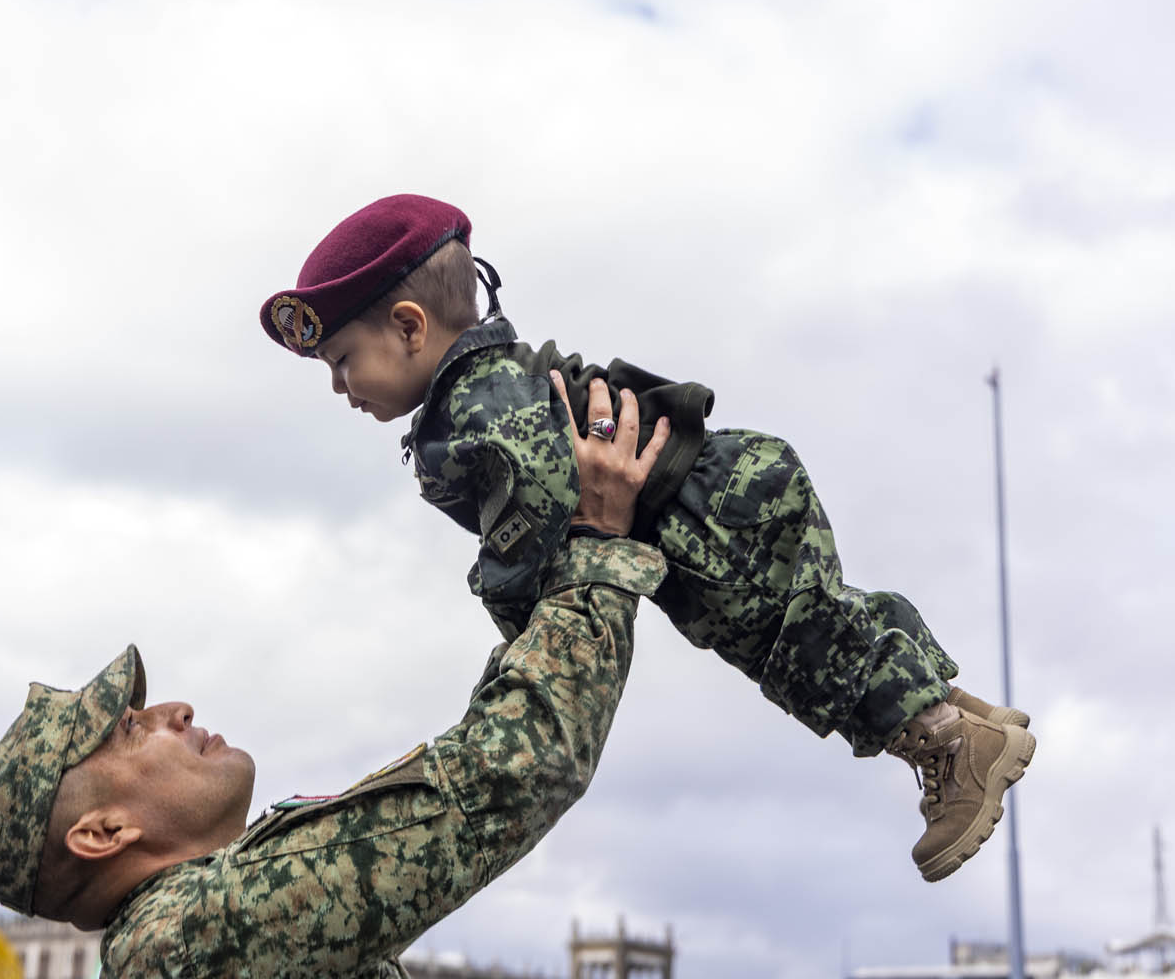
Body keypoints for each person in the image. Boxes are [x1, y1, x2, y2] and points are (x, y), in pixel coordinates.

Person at [257, 193, 1035, 883]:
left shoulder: (472, 404)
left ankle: (947, 743)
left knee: (797, 646)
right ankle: (964, 719)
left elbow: (539, 501)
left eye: (342, 361)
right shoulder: (484, 379)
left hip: (706, 521)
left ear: (408, 327)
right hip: (720, 498)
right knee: (817, 621)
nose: (339, 387)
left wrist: (517, 614)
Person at [0, 379, 672, 976]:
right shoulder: (192, 937)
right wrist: (597, 547)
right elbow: (508, 772)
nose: (174, 710)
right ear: (104, 831)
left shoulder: (185, 932)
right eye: (130, 727)